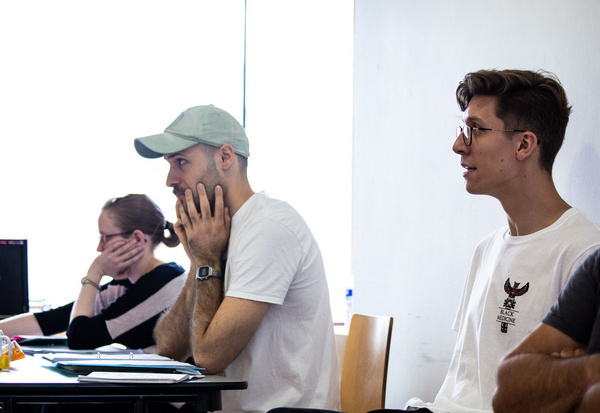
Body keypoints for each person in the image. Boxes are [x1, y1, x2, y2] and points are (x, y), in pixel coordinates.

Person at [401, 69, 600, 413]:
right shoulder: (486, 248)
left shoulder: (584, 252)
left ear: (524, 144)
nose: (458, 144)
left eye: (475, 129)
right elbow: (465, 383)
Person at [133, 104, 340, 413]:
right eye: (168, 164)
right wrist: (198, 261)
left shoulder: (268, 228)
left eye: (181, 162)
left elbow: (209, 358)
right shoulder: (218, 234)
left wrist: (206, 260)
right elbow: (168, 349)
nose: (170, 179)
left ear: (225, 157)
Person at [0, 194, 186, 352]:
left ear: (137, 239)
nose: (99, 248)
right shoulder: (126, 285)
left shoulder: (166, 281)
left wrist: (95, 272)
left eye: (105, 238)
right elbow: (51, 321)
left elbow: (80, 339)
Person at [492, 248, 600, 413]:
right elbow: (507, 391)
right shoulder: (596, 265)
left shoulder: (582, 246)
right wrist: (590, 369)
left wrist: (568, 372)